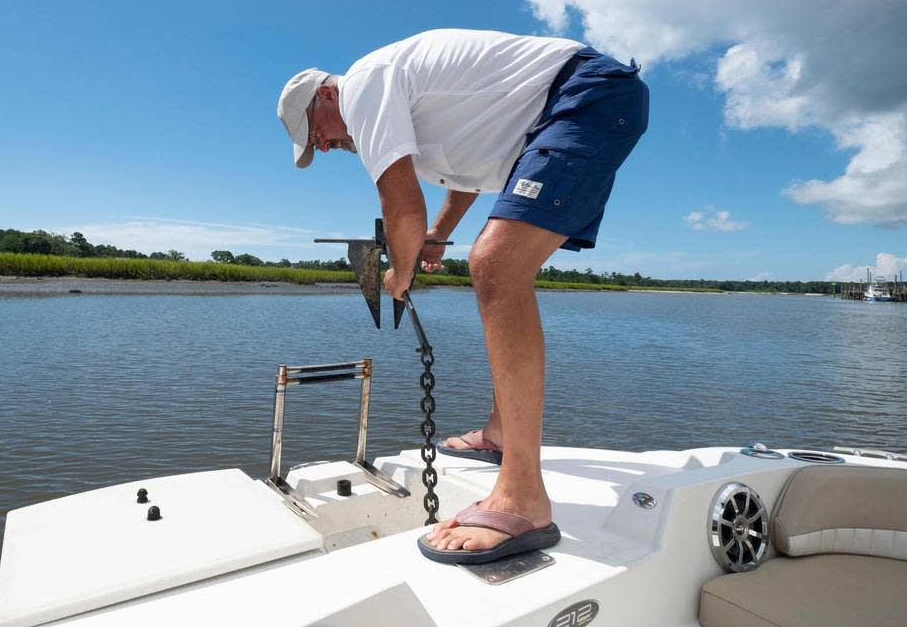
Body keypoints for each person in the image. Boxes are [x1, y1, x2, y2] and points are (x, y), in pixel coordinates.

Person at [275, 28, 648, 564]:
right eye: (319, 147)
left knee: (496, 264)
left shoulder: (363, 86)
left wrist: (399, 272)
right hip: (567, 109)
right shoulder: (416, 117)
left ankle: (523, 500)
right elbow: (468, 178)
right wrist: (436, 238)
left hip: (587, 94)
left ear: (326, 97)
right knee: (497, 262)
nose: (328, 147)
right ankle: (499, 432)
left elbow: (401, 203)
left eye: (319, 136)